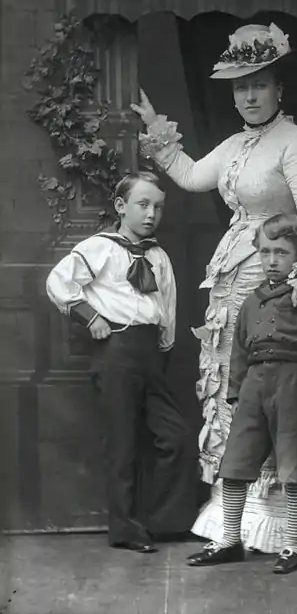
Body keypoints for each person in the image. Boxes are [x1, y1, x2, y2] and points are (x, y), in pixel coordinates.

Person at [131, 22, 297, 553]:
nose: (250, 96)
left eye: (259, 85)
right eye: (241, 87)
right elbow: (190, 177)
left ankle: (279, 517)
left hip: (276, 274)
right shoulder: (234, 145)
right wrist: (157, 130)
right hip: (230, 277)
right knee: (234, 383)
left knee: (274, 390)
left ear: (279, 89)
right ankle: (235, 518)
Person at [187, 214, 297, 574]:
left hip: (294, 384)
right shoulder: (251, 301)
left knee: (293, 468)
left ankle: (292, 545)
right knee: (235, 465)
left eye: (281, 253)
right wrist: (235, 395)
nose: (272, 260)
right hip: (253, 387)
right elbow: (238, 351)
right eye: (265, 252)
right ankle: (229, 540)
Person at [46, 171, 198, 553]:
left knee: (176, 437)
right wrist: (90, 317)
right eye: (142, 205)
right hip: (116, 352)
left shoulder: (158, 256)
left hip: (151, 354)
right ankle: (125, 529)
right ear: (120, 206)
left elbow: (167, 310)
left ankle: (165, 522)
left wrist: (162, 351)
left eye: (158, 207)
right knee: (122, 443)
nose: (151, 214)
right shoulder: (100, 248)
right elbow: (58, 282)